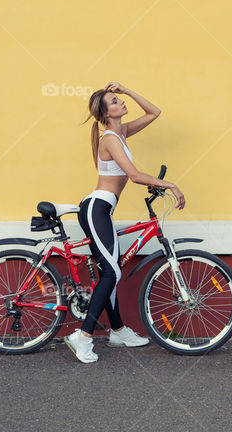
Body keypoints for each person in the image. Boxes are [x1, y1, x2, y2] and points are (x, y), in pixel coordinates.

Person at [64, 82, 186, 364]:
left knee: (111, 271)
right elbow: (133, 175)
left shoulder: (121, 132)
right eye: (114, 102)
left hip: (104, 210)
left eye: (119, 99)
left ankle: (118, 331)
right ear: (106, 114)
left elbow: (154, 112)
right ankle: (82, 337)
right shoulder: (110, 137)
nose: (120, 103)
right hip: (96, 208)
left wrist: (128, 90)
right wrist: (169, 184)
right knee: (111, 274)